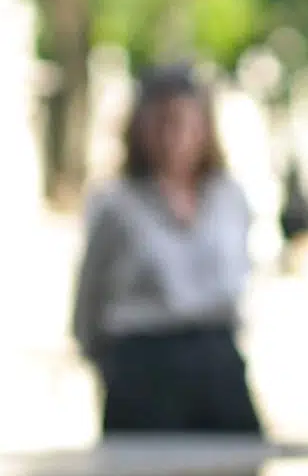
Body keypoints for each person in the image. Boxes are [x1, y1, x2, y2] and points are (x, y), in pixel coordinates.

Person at [71, 64, 262, 435]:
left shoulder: (227, 197)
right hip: (144, 364)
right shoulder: (117, 204)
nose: (173, 138)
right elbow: (89, 299)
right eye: (161, 123)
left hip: (216, 360)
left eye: (184, 123)